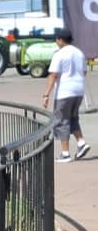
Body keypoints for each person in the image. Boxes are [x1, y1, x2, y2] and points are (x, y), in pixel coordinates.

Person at [42, 28, 91, 163]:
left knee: (61, 121)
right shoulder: (79, 53)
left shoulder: (59, 54)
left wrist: (46, 95)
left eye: (56, 40)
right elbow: (84, 72)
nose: (56, 42)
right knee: (73, 118)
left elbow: (53, 75)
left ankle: (65, 154)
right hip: (79, 91)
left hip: (64, 92)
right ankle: (81, 143)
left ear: (60, 40)